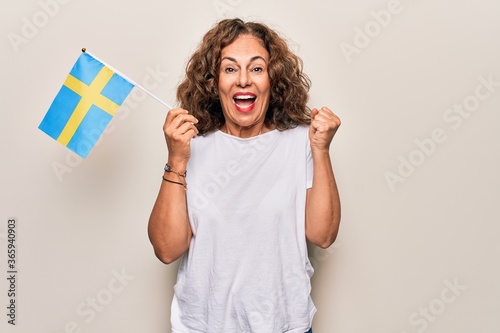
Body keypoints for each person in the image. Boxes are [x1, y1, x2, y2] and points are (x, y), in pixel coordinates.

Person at [148, 18, 341, 333]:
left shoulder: (301, 142)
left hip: (283, 324)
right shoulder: (190, 145)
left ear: (272, 79)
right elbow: (167, 249)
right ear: (214, 81)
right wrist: (176, 159)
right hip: (203, 325)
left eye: (256, 68)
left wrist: (321, 149)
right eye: (229, 69)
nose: (243, 81)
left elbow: (323, 235)